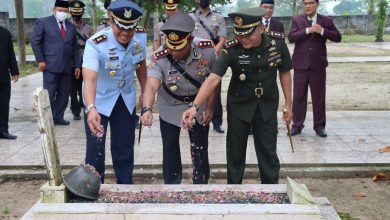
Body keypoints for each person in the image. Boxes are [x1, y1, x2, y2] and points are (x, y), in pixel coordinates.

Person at [182, 7, 293, 184]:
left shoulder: (277, 44)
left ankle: (271, 190)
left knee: (268, 152)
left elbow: (285, 73)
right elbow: (213, 79)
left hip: (266, 105)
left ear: (261, 28)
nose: (243, 39)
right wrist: (195, 106)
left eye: (248, 35)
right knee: (235, 152)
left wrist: (289, 104)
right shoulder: (232, 48)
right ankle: (234, 190)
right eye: (240, 34)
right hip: (239, 106)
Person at [141, 12, 216, 184]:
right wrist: (146, 108)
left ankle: (201, 182)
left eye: (180, 48)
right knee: (169, 147)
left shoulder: (207, 49)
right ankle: (172, 184)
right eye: (171, 47)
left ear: (190, 39)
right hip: (170, 105)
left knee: (200, 146)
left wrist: (210, 107)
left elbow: (213, 81)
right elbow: (151, 85)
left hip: (199, 105)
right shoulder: (160, 56)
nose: (174, 52)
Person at [82, 0, 147, 184]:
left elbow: (141, 64)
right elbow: (90, 78)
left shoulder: (139, 38)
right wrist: (91, 107)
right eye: (121, 27)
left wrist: (144, 91)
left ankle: (125, 185)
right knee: (96, 148)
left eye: (130, 28)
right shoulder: (95, 43)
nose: (125, 33)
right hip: (99, 99)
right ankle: (93, 186)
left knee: (124, 146)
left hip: (125, 98)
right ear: (111, 21)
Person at [288, 0, 341, 138]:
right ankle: (297, 125)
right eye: (305, 3)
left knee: (318, 97)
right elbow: (291, 37)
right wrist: (307, 30)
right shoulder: (297, 20)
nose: (307, 6)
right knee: (299, 96)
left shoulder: (326, 20)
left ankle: (319, 126)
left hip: (318, 65)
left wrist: (322, 31)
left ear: (317, 4)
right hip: (300, 65)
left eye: (311, 3)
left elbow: (338, 37)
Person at [31, 0, 81, 125]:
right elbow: (35, 41)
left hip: (67, 65)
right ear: (54, 10)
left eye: (65, 11)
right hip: (50, 64)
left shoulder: (70, 26)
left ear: (68, 12)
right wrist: (40, 60)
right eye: (60, 10)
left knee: (64, 94)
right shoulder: (43, 22)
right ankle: (47, 118)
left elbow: (75, 47)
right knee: (49, 93)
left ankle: (58, 116)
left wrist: (77, 65)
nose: (62, 13)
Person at [189, 0, 226, 134]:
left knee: (214, 90)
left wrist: (212, 54)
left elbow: (222, 39)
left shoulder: (219, 17)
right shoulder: (190, 17)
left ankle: (217, 123)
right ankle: (191, 118)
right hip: (194, 59)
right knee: (192, 88)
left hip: (213, 58)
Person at [69, 0, 93, 120]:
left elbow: (93, 43)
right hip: (72, 59)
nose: (76, 14)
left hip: (86, 59)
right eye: (74, 12)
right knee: (73, 85)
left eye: (79, 12)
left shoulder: (88, 27)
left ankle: (83, 103)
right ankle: (75, 109)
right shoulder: (67, 25)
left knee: (85, 83)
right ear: (71, 12)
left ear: (82, 12)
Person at [0, 26, 19, 140]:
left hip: (2, 75)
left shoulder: (4, 33)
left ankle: (3, 130)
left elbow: (10, 53)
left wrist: (14, 71)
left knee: (3, 103)